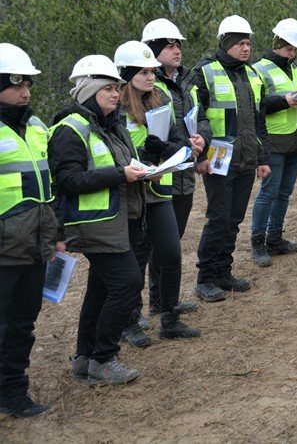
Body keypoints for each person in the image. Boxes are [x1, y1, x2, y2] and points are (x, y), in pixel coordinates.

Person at [50, 55, 148, 386]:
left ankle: (84, 358)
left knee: (101, 289)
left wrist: (143, 170)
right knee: (127, 284)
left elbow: (124, 163)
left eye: (116, 88)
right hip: (94, 223)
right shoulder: (70, 129)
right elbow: (68, 180)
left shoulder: (112, 125)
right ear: (89, 91)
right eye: (107, 88)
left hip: (117, 219)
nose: (115, 94)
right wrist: (120, 174)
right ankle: (103, 359)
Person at [113, 41, 202, 344]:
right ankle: (129, 320)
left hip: (159, 189)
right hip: (131, 194)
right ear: (127, 74)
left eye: (152, 71)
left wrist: (162, 147)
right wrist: (139, 153)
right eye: (144, 71)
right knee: (135, 260)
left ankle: (169, 318)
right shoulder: (115, 108)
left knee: (171, 253)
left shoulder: (159, 99)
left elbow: (179, 143)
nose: (151, 77)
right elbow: (108, 153)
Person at [186, 15, 270, 302]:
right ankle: (205, 278)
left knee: (233, 220)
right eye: (240, 43)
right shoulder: (205, 72)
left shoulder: (253, 75)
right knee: (218, 218)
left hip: (246, 158)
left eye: (248, 43)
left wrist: (262, 157)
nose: (246, 48)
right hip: (217, 159)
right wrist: (200, 156)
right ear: (226, 43)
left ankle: (223, 272)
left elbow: (258, 122)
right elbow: (194, 118)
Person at [0, 44, 58, 417]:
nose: (26, 93)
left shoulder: (37, 127)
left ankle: (12, 393)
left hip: (36, 246)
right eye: (16, 84)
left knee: (22, 325)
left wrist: (58, 233)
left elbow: (51, 186)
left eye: (29, 85)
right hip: (3, 251)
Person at [141, 17, 209, 318]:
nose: (176, 50)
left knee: (171, 245)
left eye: (178, 44)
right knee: (145, 247)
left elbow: (201, 117)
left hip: (184, 174)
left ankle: (162, 301)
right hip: (159, 176)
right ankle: (133, 310)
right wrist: (184, 145)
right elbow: (150, 133)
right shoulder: (146, 85)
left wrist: (201, 140)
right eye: (169, 45)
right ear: (153, 50)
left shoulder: (187, 81)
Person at [249, 19, 297, 265]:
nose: (293, 52)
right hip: (273, 139)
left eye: (296, 49)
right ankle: (257, 243)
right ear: (277, 43)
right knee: (268, 192)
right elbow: (256, 107)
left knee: (285, 192)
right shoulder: (258, 70)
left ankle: (275, 238)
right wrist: (284, 101)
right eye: (289, 48)